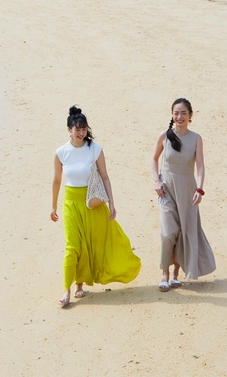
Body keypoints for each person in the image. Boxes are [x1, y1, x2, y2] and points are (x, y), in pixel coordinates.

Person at [51, 105, 141, 307]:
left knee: (89, 245)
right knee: (72, 246)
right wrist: (53, 207)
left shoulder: (95, 149)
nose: (81, 133)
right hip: (71, 204)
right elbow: (56, 181)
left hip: (92, 204)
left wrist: (112, 204)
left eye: (84, 129)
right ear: (69, 130)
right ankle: (66, 289)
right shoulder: (61, 153)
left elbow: (105, 177)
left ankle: (80, 285)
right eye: (77, 129)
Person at [151, 98, 216, 291]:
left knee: (184, 231)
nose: (179, 117)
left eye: (183, 113)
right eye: (176, 113)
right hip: (167, 190)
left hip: (187, 190)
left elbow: (201, 166)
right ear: (172, 115)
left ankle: (175, 274)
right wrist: (157, 180)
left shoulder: (196, 138)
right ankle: (164, 273)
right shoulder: (164, 136)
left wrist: (200, 189)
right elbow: (154, 159)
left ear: (190, 116)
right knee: (168, 232)